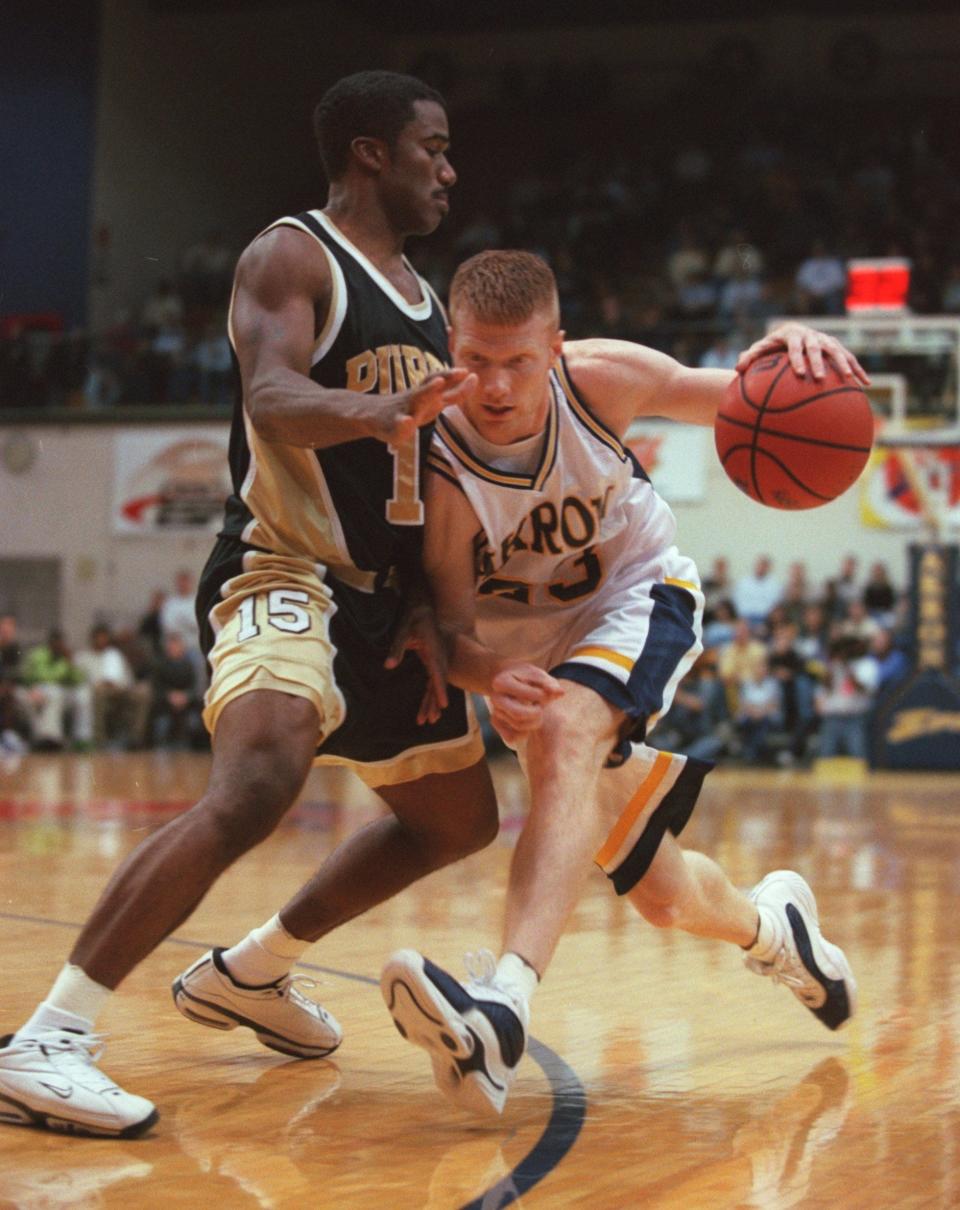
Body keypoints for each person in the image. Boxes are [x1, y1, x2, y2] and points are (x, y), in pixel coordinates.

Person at [0, 70, 496, 1139]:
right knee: (260, 777)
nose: (449, 170)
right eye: (432, 147)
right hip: (283, 568)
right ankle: (47, 1037)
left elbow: (421, 485)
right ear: (370, 152)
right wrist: (376, 408)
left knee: (459, 818)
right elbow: (271, 394)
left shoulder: (424, 294)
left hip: (382, 604)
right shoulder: (292, 253)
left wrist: (426, 603)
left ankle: (252, 970)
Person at [380, 250, 863, 1117]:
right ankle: (772, 929)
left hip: (634, 597)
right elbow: (448, 635)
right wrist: (491, 675)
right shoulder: (434, 456)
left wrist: (786, 344)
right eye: (476, 360)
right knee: (664, 897)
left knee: (571, 731)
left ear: (556, 348)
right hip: (527, 654)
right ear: (449, 345)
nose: (494, 385)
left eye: (519, 362)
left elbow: (749, 393)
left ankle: (503, 1009)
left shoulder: (604, 381)